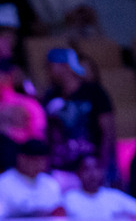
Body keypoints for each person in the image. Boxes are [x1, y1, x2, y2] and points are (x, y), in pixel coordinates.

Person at [44, 47, 115, 178]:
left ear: (64, 66)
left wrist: (104, 167)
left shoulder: (95, 92)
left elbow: (108, 131)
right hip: (60, 169)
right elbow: (48, 133)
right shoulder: (50, 95)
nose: (48, 71)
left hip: (90, 169)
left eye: (50, 66)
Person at [0, 139, 64, 220]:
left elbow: (59, 214)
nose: (37, 164)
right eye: (33, 160)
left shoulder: (50, 183)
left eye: (41, 160)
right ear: (21, 158)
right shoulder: (1, 184)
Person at [63, 155, 136, 220]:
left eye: (96, 168)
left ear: (102, 172)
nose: (92, 174)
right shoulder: (69, 198)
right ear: (78, 173)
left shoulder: (114, 196)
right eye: (86, 169)